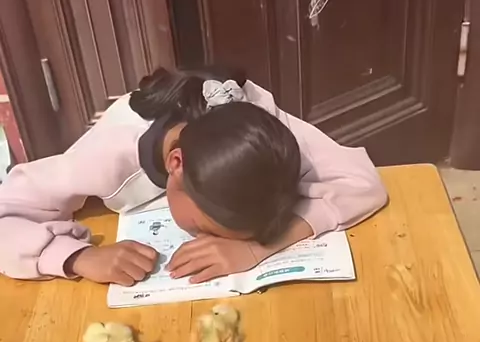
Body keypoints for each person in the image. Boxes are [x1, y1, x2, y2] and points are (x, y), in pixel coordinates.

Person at [0, 65, 387, 286]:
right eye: (204, 228)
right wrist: (79, 258)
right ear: (176, 164)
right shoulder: (108, 154)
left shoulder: (259, 127)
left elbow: (363, 182)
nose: (213, 245)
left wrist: (259, 249)